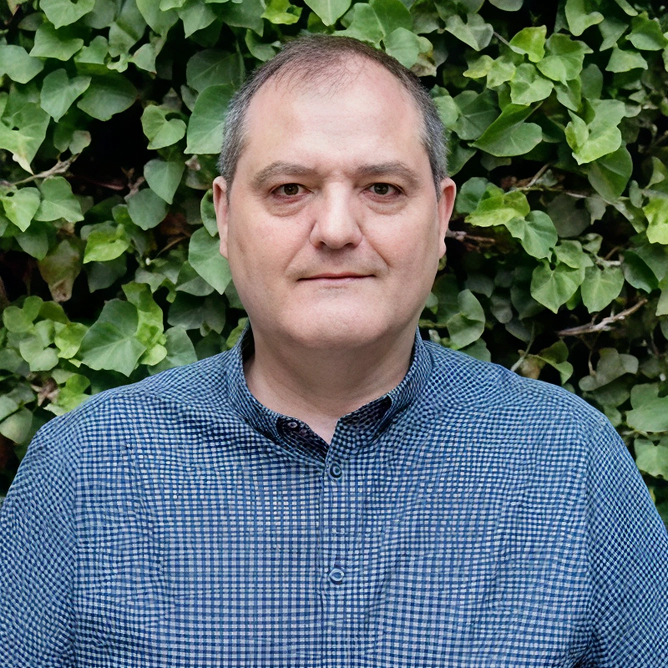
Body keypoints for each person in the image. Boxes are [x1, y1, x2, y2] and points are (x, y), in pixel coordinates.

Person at [1, 35, 667, 667]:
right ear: (225, 218)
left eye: (383, 189)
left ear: (441, 217)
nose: (337, 230)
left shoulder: (568, 462)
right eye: (289, 189)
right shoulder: (84, 472)